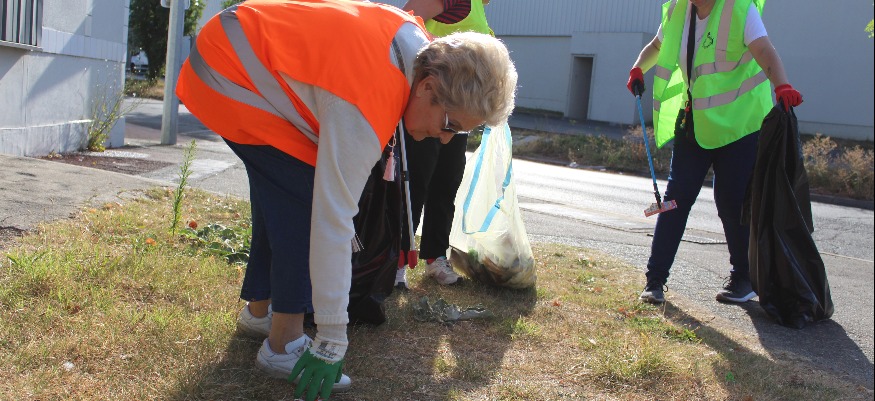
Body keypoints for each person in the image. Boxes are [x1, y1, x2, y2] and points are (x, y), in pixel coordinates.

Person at [175, 1, 517, 400]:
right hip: (229, 68)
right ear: (427, 88)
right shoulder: (367, 100)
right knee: (305, 201)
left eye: (457, 134)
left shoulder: (421, 51)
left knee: (285, 192)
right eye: (449, 125)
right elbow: (333, 224)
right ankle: (282, 344)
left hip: (235, 44)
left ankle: (259, 312)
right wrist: (332, 341)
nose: (444, 140)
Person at [626, 0, 802, 305]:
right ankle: (655, 281)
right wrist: (639, 66)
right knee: (674, 200)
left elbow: (763, 49)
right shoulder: (678, 10)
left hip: (740, 125)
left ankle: (743, 278)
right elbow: (656, 45)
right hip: (696, 122)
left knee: (731, 201)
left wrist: (782, 85)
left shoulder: (739, 9)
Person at [395, 0, 495, 290]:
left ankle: (435, 256)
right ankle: (397, 259)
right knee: (414, 183)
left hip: (461, 111)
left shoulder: (479, 7)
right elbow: (405, 25)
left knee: (446, 185)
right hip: (433, 107)